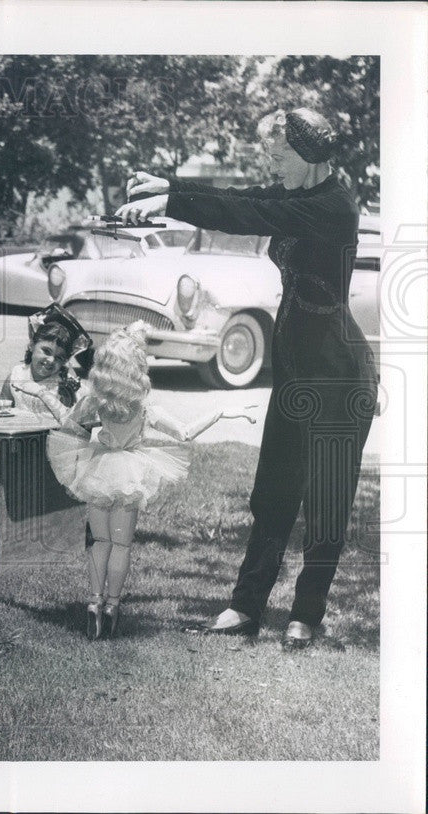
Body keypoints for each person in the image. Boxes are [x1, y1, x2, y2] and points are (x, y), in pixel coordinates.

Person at [115, 106, 378, 648]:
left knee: (326, 500)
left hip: (337, 377)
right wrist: (172, 185)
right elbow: (245, 198)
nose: (271, 163)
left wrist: (170, 204)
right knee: (273, 493)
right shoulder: (300, 193)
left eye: (278, 155)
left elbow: (249, 216)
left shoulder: (332, 206)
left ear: (308, 157)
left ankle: (306, 612)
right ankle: (245, 606)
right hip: (296, 370)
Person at [24, 322, 254, 639]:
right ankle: (112, 606)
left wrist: (44, 395)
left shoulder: (96, 401)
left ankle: (93, 602)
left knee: (100, 542)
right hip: (129, 473)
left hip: (99, 468)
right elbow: (185, 433)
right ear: (136, 370)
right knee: (121, 545)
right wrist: (222, 411)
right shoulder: (143, 407)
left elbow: (67, 422)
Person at [0, 304, 93, 533]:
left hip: (49, 452)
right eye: (46, 351)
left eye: (58, 358)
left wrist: (56, 393)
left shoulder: (65, 382)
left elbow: (70, 423)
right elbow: (3, 407)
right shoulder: (17, 374)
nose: (50, 361)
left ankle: (45, 524)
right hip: (14, 446)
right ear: (32, 345)